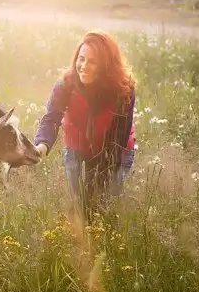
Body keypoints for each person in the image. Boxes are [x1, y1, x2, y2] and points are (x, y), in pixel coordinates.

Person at [34, 30, 136, 216]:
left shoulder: (123, 90)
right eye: (81, 59)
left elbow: (117, 141)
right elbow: (52, 117)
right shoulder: (66, 84)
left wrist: (95, 182)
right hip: (77, 148)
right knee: (79, 205)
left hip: (115, 152)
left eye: (92, 62)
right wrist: (42, 144)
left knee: (103, 205)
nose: (84, 66)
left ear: (106, 66)